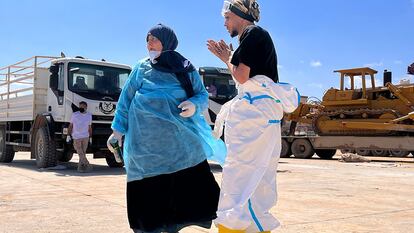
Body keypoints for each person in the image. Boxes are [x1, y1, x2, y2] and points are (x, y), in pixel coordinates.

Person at [107, 24, 226, 233]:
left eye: (154, 39)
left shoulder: (185, 68)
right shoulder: (141, 67)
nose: (149, 43)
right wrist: (117, 131)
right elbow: (125, 101)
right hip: (145, 150)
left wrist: (194, 105)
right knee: (149, 204)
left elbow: (201, 95)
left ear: (167, 41)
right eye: (147, 39)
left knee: (177, 203)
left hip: (179, 148)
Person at [207, 1, 300, 232]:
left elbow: (240, 76)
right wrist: (231, 57)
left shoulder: (252, 33)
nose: (225, 23)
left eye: (227, 17)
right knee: (259, 181)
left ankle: (231, 228)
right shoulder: (254, 36)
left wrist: (226, 59)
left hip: (253, 116)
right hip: (263, 116)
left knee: (239, 176)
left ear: (240, 15)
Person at [68, 101, 93, 173]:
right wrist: (68, 135)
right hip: (76, 136)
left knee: (83, 152)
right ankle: (87, 163)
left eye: (82, 106)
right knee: (80, 152)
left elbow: (89, 127)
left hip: (85, 136)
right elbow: (71, 125)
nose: (81, 108)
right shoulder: (74, 115)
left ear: (86, 107)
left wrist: (90, 137)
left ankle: (80, 168)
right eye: (80, 106)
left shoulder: (89, 115)